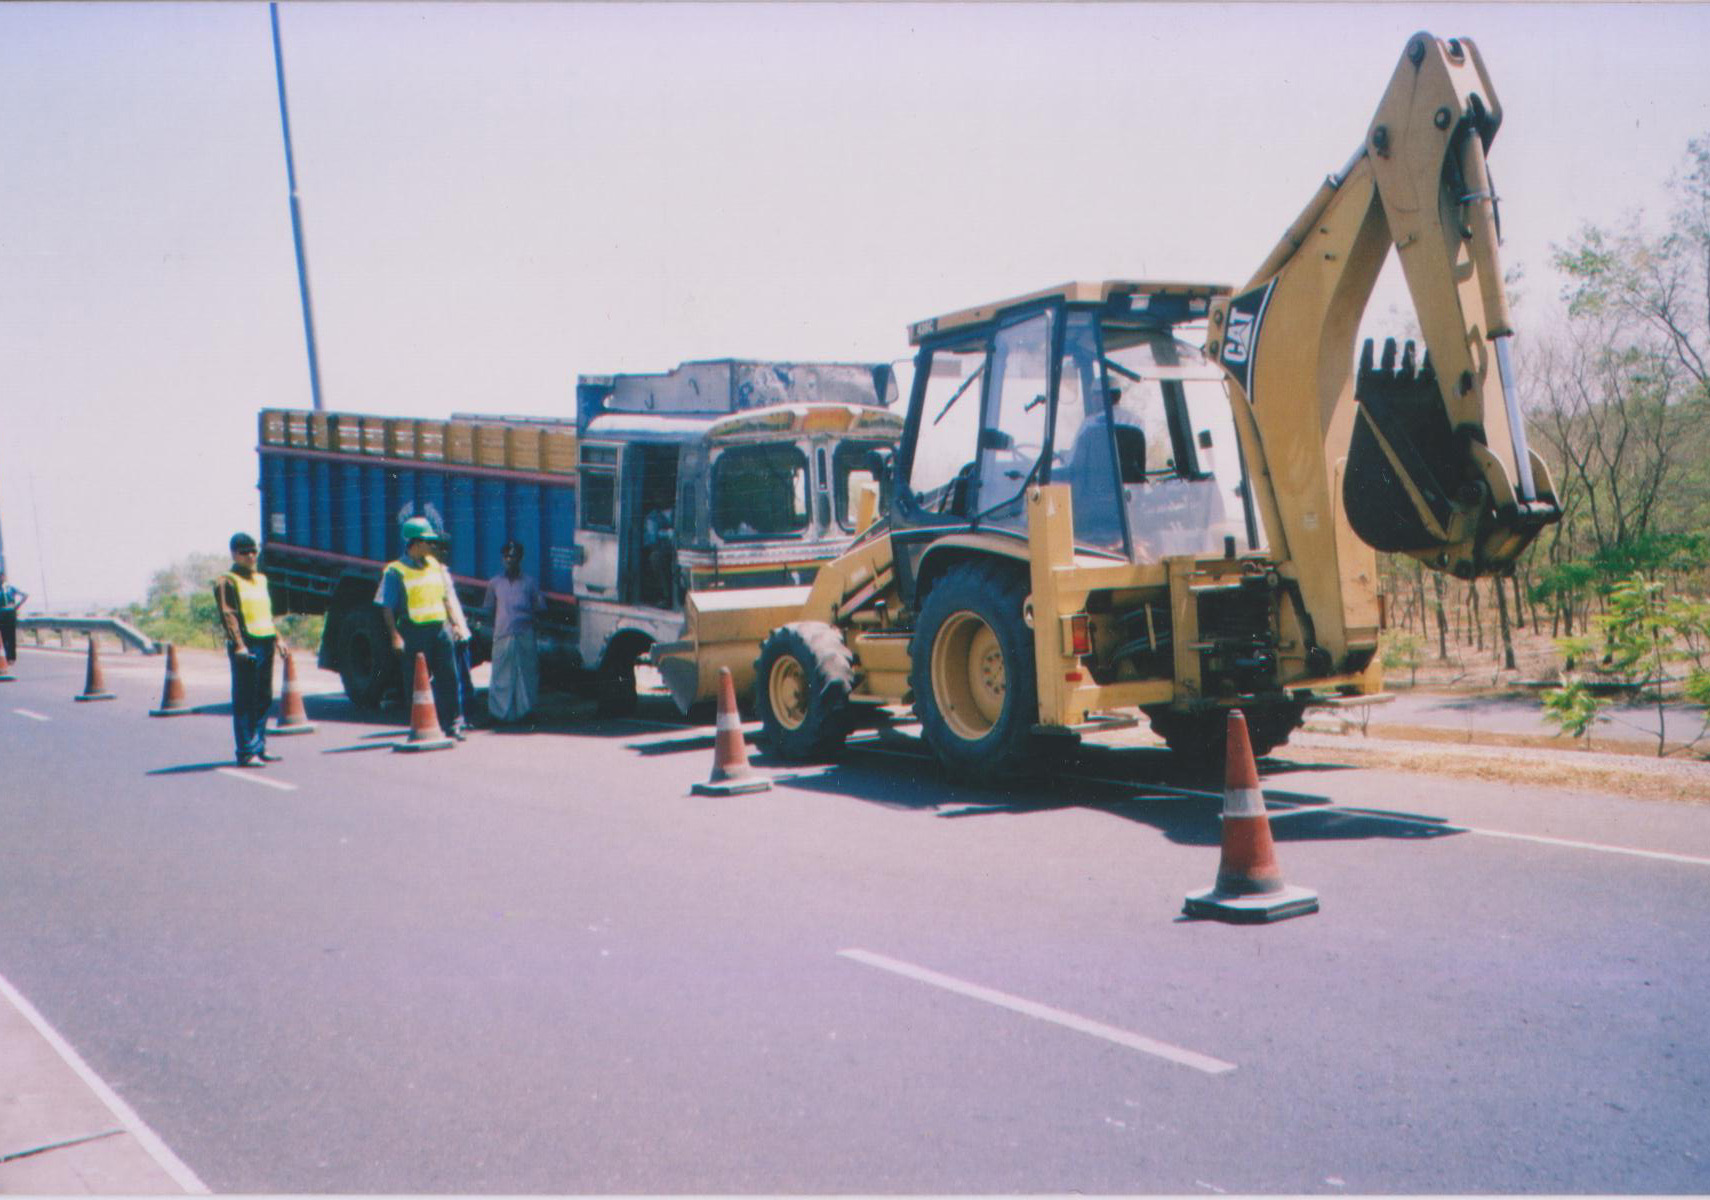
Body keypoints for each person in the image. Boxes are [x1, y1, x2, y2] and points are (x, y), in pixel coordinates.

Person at [378, 517, 464, 741]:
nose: (432, 546)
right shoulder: (395, 571)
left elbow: (445, 598)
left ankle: (452, 724)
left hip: (440, 629)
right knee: (416, 682)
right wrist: (395, 636)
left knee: (449, 678)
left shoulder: (436, 566)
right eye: (428, 542)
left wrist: (454, 624)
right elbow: (387, 607)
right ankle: (420, 723)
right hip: (414, 632)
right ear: (414, 543)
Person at [214, 533, 280, 767]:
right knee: (245, 698)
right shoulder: (227, 581)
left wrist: (278, 638)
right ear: (234, 554)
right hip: (247, 644)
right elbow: (228, 615)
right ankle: (245, 751)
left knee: (264, 696)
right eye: (244, 552)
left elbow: (266, 611)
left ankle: (259, 746)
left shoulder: (260, 579)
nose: (251, 556)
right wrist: (239, 644)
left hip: (266, 640)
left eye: (253, 551)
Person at [482, 540, 544, 726]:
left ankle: (526, 712)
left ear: (520, 559)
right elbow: (489, 608)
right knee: (500, 674)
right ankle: (498, 714)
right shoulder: (495, 583)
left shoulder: (529, 583)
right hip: (502, 634)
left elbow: (539, 607)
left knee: (526, 675)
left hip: (524, 634)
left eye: (514, 557)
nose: (510, 561)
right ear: (502, 560)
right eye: (507, 557)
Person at [429, 535, 476, 731]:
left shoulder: (443, 572)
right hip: (451, 633)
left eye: (445, 549)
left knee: (462, 677)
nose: (443, 553)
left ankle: (464, 717)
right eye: (439, 548)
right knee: (452, 678)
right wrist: (455, 627)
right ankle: (453, 718)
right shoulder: (433, 574)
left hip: (459, 632)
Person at [0, 571, 28, 663]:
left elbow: (25, 595)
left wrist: (17, 606)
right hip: (2, 614)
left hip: (11, 613)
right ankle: (7, 656)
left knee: (11, 635)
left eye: (1, 576)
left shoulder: (10, 588)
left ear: (4, 577)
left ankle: (12, 657)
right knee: (4, 636)